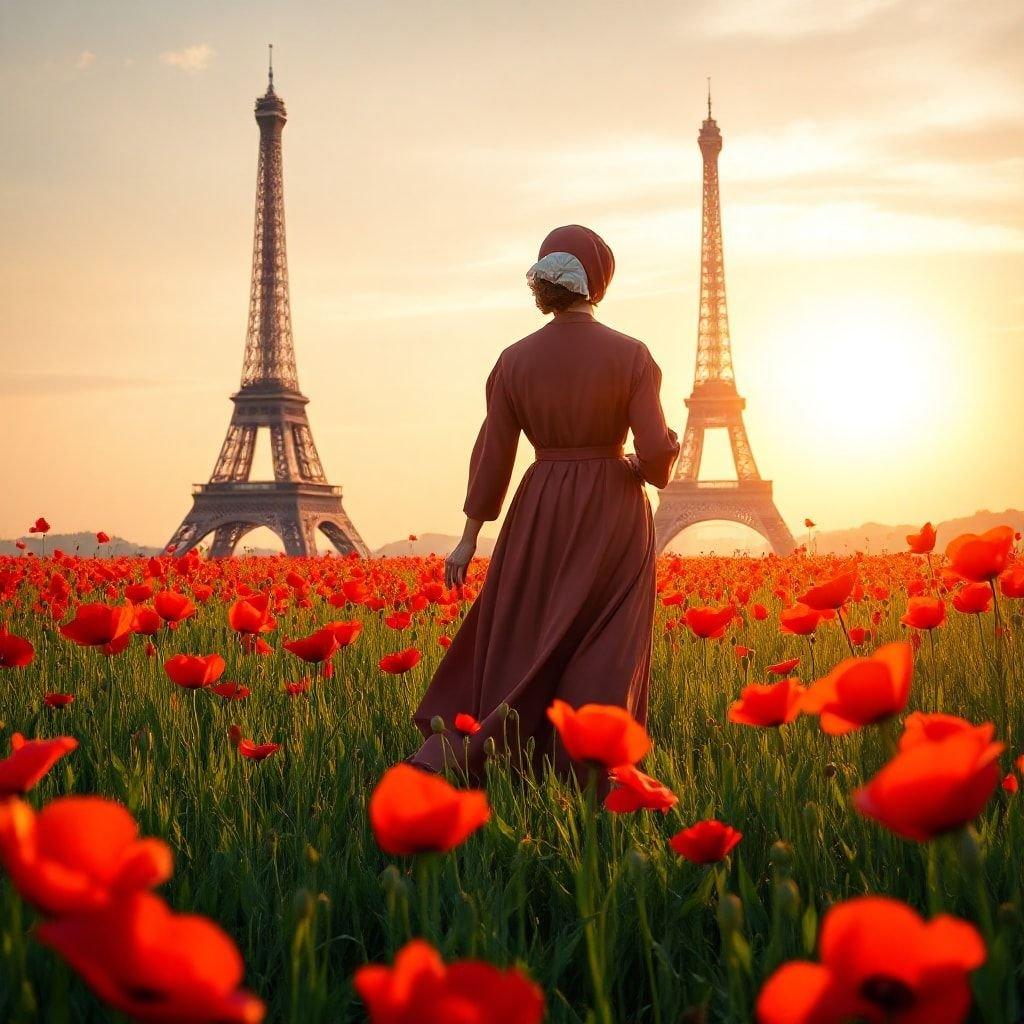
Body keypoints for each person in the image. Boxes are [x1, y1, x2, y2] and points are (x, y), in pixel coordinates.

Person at [411, 224, 680, 778]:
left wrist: (468, 537)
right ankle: (588, 772)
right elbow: (654, 455)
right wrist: (644, 464)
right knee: (607, 642)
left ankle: (502, 760)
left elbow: (493, 456)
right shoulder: (632, 356)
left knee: (529, 633)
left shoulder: (513, 361)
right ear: (598, 281)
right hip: (613, 508)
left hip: (539, 506)